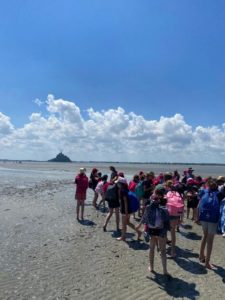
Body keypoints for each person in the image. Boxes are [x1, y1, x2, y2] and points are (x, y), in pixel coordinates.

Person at [137, 189, 171, 278]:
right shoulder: (164, 209)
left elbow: (144, 219)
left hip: (152, 230)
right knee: (163, 251)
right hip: (161, 230)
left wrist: (138, 226)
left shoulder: (148, 207)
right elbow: (167, 221)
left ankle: (151, 267)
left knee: (151, 249)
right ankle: (165, 270)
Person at [198, 179, 223, 269]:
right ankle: (207, 262)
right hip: (213, 218)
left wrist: (197, 217)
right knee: (210, 240)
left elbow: (199, 204)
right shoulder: (220, 194)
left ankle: (201, 255)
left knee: (204, 236)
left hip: (203, 217)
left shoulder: (204, 191)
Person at [115, 177, 142, 241]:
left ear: (121, 184)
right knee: (127, 222)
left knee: (124, 224)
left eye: (118, 183)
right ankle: (139, 232)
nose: (117, 184)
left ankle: (122, 237)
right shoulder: (126, 189)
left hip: (125, 210)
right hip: (128, 209)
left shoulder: (122, 191)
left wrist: (126, 212)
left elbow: (125, 201)